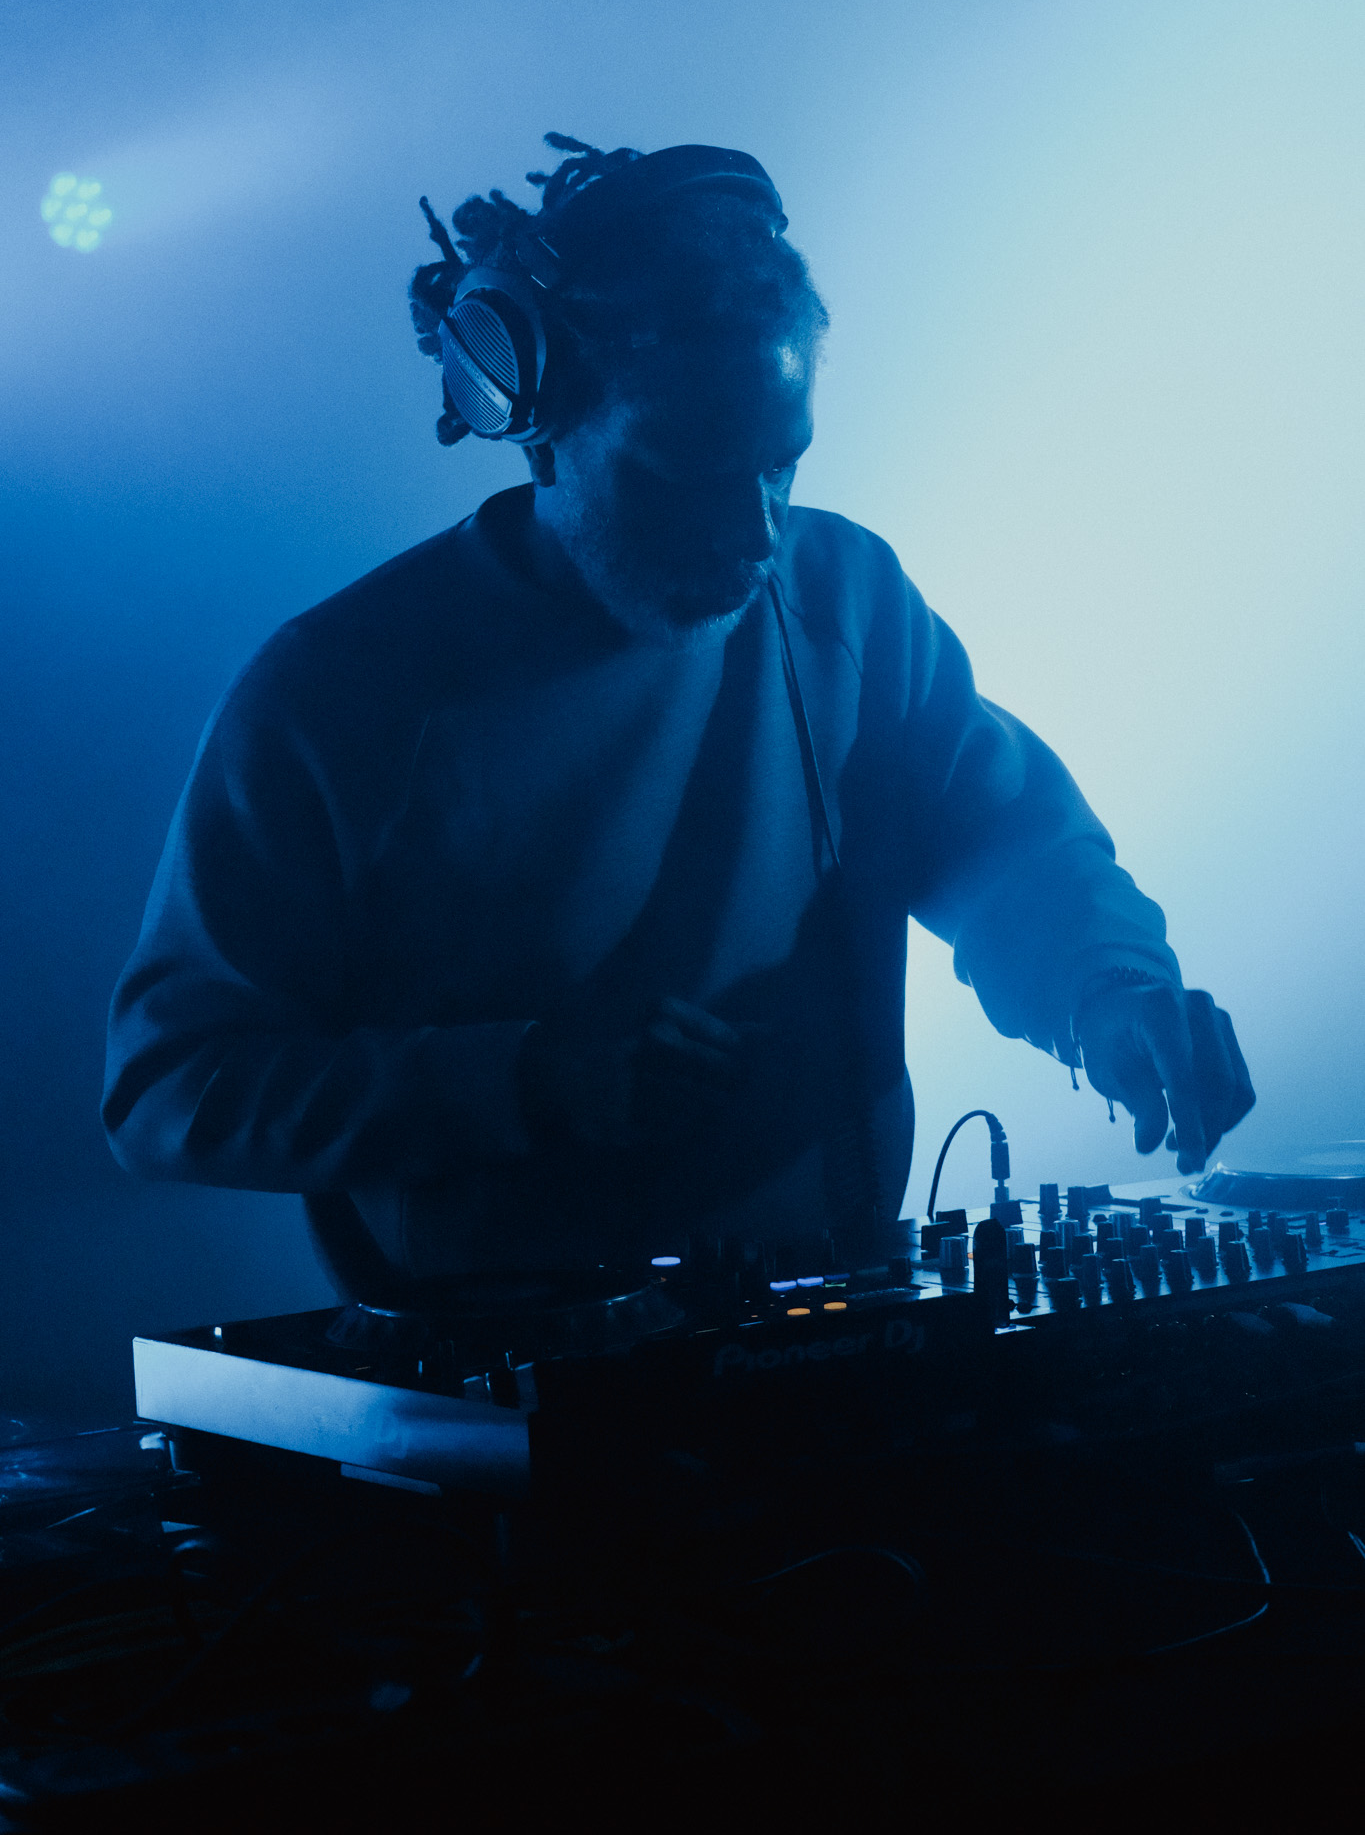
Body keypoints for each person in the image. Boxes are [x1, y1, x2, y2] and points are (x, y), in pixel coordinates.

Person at [102, 135, 1254, 1298]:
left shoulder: (850, 598)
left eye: (780, 464)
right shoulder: (338, 689)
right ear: (535, 421)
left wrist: (1111, 991)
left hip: (843, 1327)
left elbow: (1010, 851)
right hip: (505, 1381)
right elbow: (168, 1086)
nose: (756, 534)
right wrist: (524, 1079)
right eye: (682, 473)